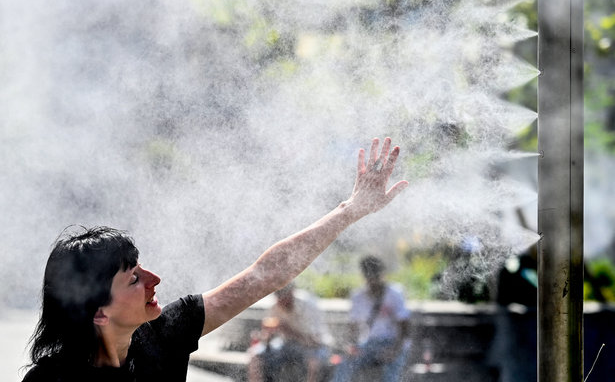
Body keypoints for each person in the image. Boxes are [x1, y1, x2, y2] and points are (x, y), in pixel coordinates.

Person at [22, 137, 408, 382]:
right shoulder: (50, 380)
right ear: (98, 313)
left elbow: (264, 274)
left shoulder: (166, 333)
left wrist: (350, 210)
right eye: (133, 278)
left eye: (142, 267)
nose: (154, 279)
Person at [331, 255, 411, 382]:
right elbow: (353, 328)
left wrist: (394, 351)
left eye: (375, 276)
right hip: (370, 343)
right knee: (345, 364)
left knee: (391, 373)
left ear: (382, 275)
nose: (373, 281)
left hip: (394, 343)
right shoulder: (358, 297)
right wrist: (351, 346)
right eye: (369, 277)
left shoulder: (395, 293)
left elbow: (405, 327)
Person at [248, 283, 332, 382]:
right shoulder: (275, 306)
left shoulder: (308, 305)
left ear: (291, 293)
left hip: (314, 346)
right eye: (277, 295)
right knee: (255, 355)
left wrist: (288, 330)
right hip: (286, 344)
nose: (280, 299)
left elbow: (314, 342)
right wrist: (264, 336)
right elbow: (269, 337)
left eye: (283, 295)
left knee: (313, 363)